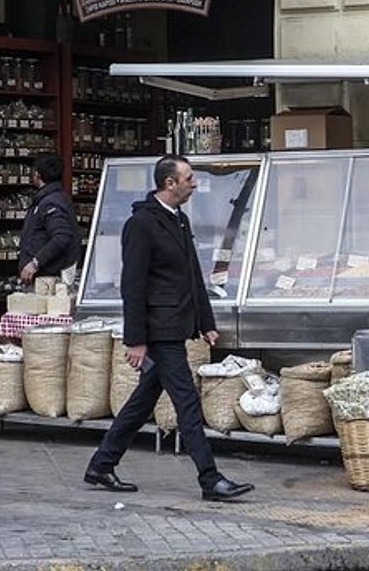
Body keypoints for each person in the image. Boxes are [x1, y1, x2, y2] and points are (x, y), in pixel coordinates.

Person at [84, 155, 254, 501]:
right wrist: (135, 340)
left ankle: (101, 465)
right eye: (188, 178)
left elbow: (193, 274)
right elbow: (132, 284)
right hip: (159, 328)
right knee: (187, 401)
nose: (194, 183)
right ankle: (209, 478)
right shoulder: (142, 224)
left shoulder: (179, 220)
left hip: (177, 323)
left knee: (142, 399)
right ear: (169, 183)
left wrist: (206, 322)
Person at [19, 153, 82, 286]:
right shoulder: (50, 199)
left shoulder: (50, 202)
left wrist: (35, 263)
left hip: (49, 280)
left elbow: (62, 236)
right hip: (46, 278)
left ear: (37, 174)